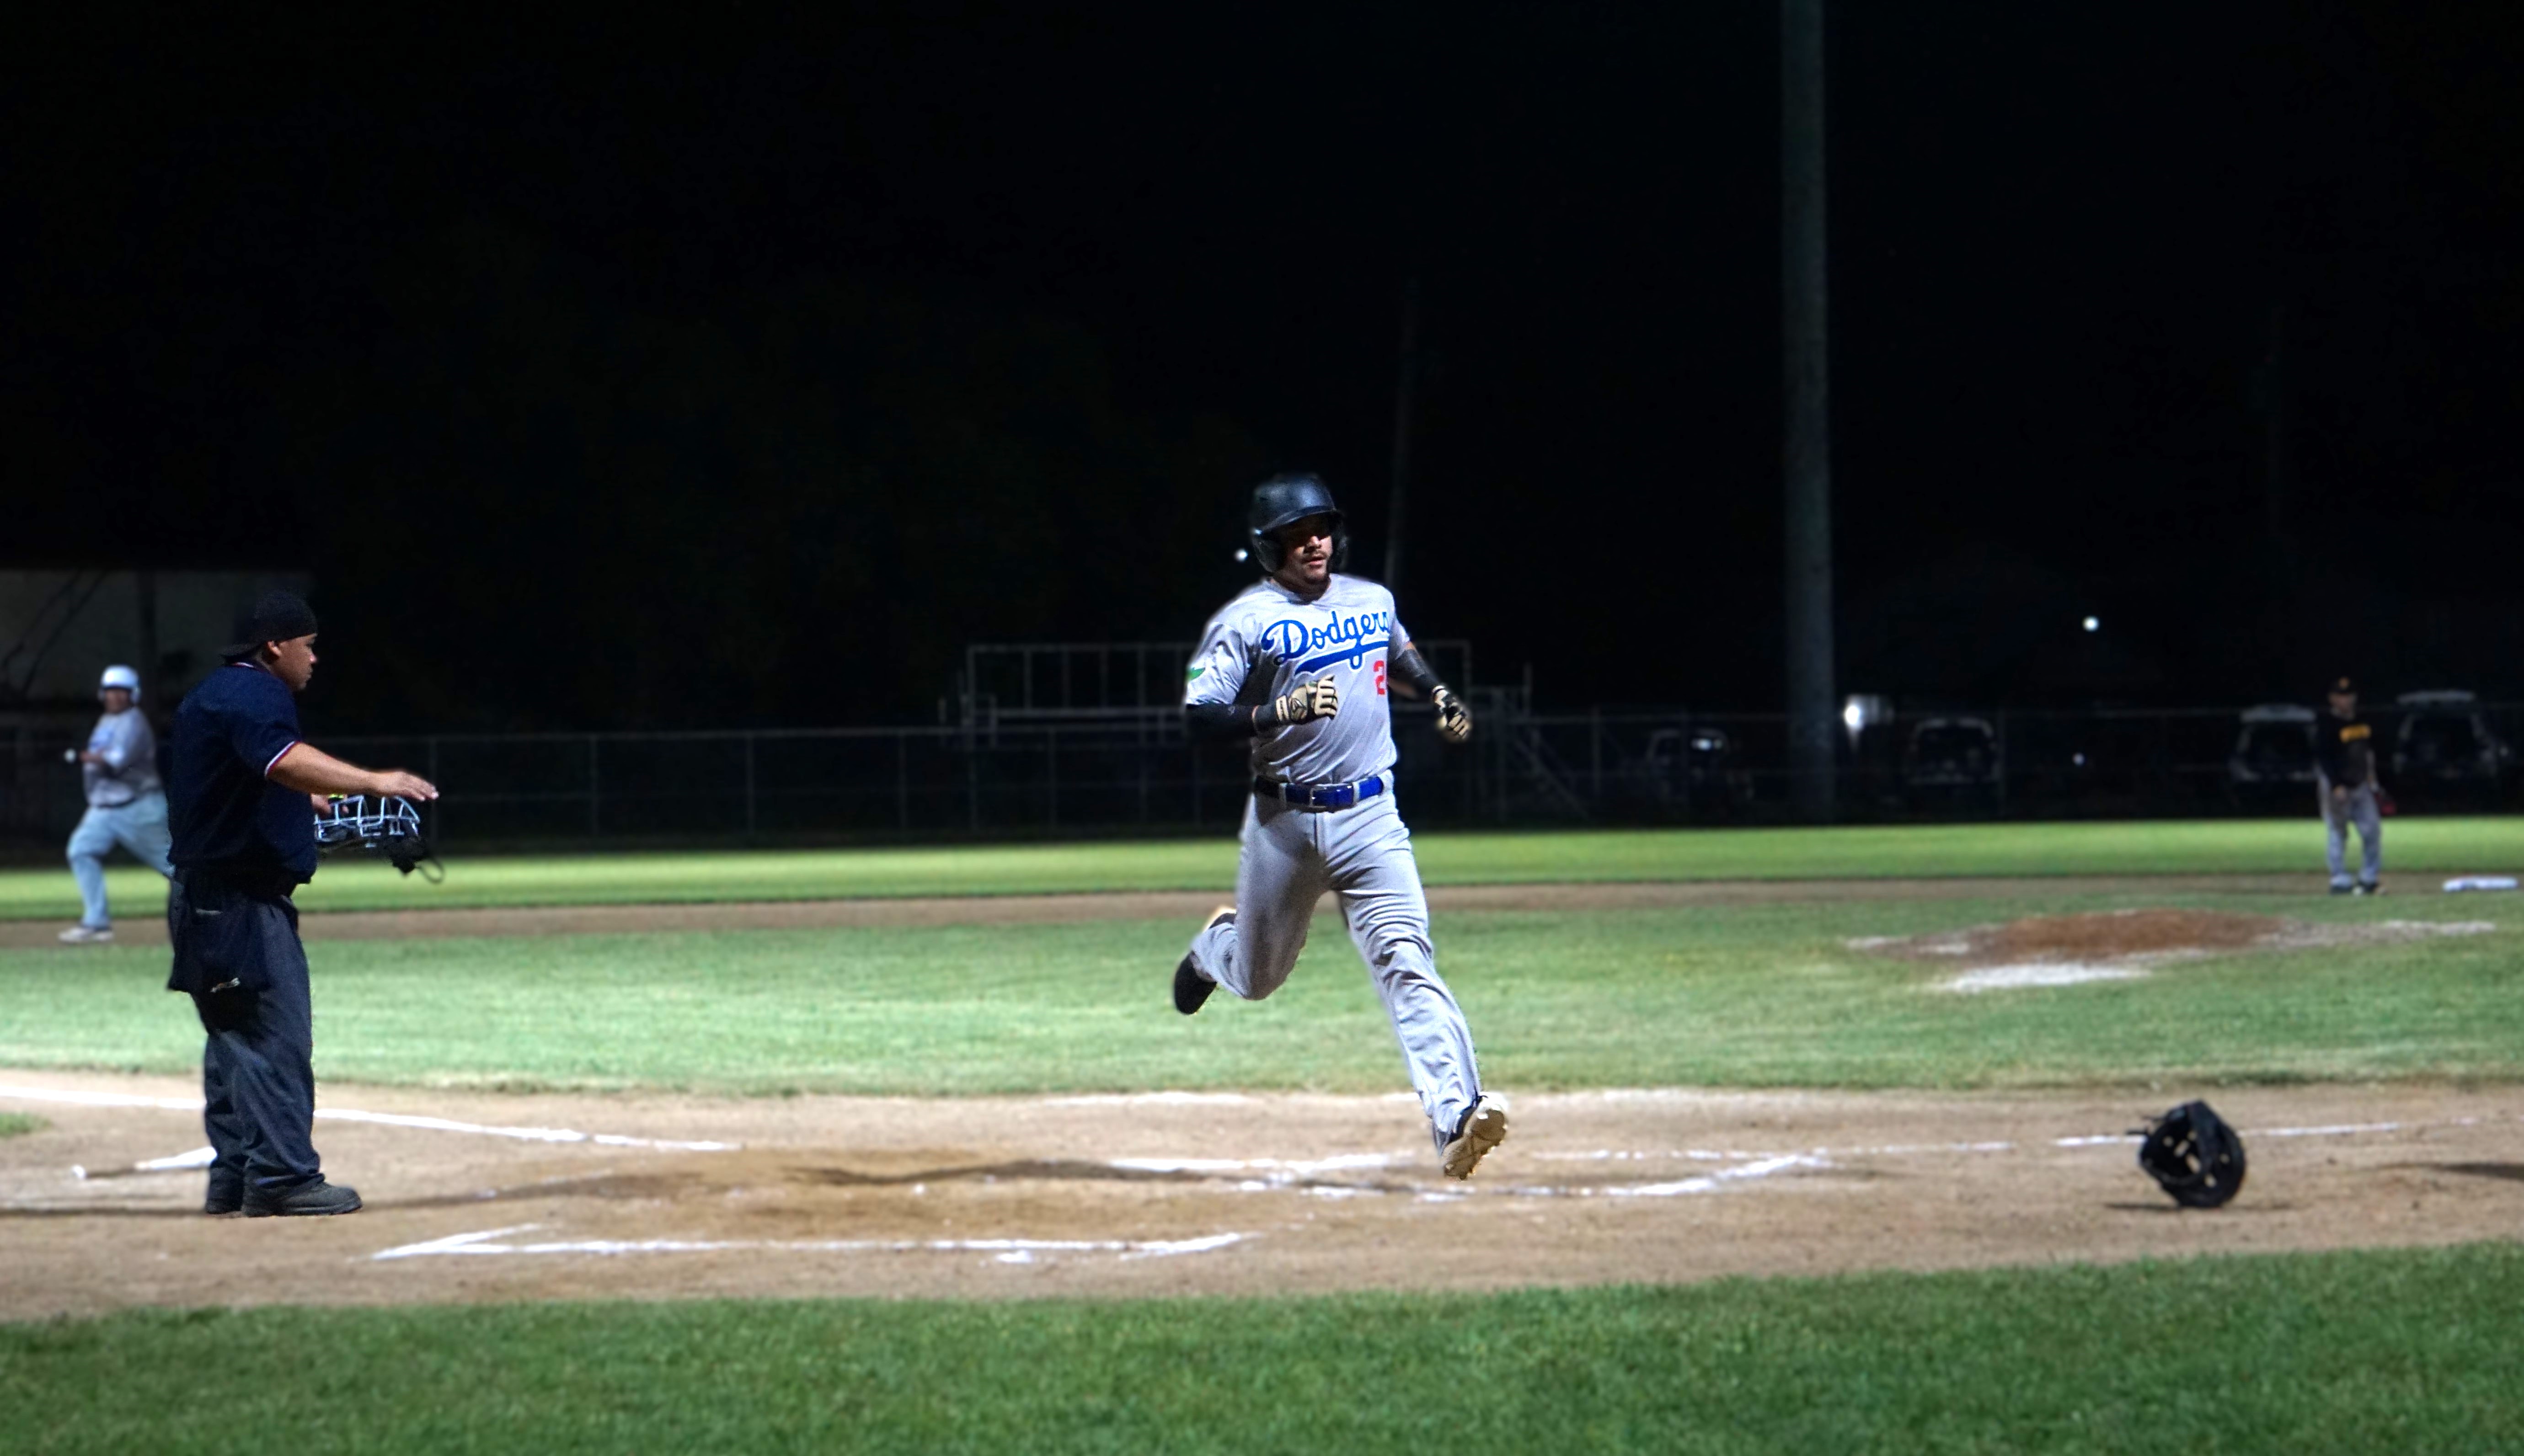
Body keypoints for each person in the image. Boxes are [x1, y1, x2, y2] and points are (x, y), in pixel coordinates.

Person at [1172, 474, 1507, 1179]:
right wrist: (1280, 712)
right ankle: (1215, 948)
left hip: (1371, 820)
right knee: (1259, 978)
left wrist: (1439, 691)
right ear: (1269, 548)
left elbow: (1396, 649)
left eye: (1320, 527)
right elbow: (1201, 716)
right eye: (1296, 534)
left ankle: (1455, 1114)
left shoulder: (1371, 600)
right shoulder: (1247, 621)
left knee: (1405, 957)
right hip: (1282, 825)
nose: (1313, 541)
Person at [165, 590, 438, 1217]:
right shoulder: (258, 693)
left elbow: (233, 779)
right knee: (272, 1039)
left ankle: (234, 1175)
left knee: (234, 1040)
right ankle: (284, 1178)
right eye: (308, 646)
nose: (314, 659)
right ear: (274, 647)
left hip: (209, 897)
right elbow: (281, 760)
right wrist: (375, 780)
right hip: (237, 903)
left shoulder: (212, 694)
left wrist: (293, 803)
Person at [58, 665, 175, 944]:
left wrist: (79, 757)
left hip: (139, 808)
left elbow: (115, 761)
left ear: (133, 695)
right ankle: (97, 923)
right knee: (81, 851)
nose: (115, 697)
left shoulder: (134, 722)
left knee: (177, 868)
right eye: (111, 691)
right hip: (103, 810)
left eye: (122, 691)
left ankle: (211, 917)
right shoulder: (107, 721)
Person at [2314, 675, 2384, 895]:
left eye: (2349, 695)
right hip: (2337, 787)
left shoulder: (2362, 721)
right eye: (2341, 696)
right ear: (2332, 699)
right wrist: (2336, 785)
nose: (2347, 700)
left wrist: (2373, 780)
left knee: (2372, 830)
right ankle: (2339, 878)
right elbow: (2324, 759)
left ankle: (2369, 878)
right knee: (2338, 832)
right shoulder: (2327, 724)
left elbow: (2368, 752)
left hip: (2361, 785)